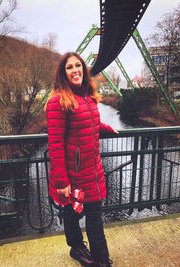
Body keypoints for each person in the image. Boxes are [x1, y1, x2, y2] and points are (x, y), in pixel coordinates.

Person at [46, 52, 119, 267]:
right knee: (74, 213)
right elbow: (56, 144)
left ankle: (92, 256)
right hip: (73, 174)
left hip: (91, 170)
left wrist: (106, 128)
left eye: (78, 65)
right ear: (63, 73)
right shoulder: (57, 101)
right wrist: (61, 182)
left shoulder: (88, 97)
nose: (75, 70)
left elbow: (90, 125)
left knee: (91, 216)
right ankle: (87, 253)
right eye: (69, 67)